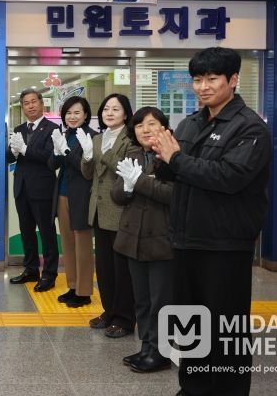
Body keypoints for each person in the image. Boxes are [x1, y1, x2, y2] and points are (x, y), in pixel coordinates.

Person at [151, 47, 272, 396]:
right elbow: (176, 171)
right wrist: (160, 157)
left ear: (233, 80)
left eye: (212, 79)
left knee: (226, 329)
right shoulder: (190, 123)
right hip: (186, 238)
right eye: (197, 79)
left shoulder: (250, 128)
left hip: (225, 244)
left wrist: (176, 159)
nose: (203, 87)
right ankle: (194, 387)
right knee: (190, 324)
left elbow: (229, 177)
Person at [111, 107, 174, 373]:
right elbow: (116, 195)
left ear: (164, 126)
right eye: (139, 126)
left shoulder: (173, 155)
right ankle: (147, 346)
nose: (145, 130)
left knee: (161, 300)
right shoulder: (133, 154)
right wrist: (126, 187)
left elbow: (173, 194)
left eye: (151, 124)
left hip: (161, 240)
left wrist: (139, 182)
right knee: (142, 299)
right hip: (133, 240)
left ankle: (161, 352)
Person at [79, 93, 138, 338]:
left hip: (120, 209)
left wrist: (100, 153)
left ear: (125, 113)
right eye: (106, 109)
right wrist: (87, 156)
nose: (109, 113)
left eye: (115, 109)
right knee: (104, 267)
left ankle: (124, 318)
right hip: (99, 210)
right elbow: (88, 173)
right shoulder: (97, 138)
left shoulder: (131, 139)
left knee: (121, 268)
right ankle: (109, 311)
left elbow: (123, 170)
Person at [7, 88, 58, 291]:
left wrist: (25, 149)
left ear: (41, 103)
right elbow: (9, 158)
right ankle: (31, 270)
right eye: (26, 103)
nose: (30, 106)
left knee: (46, 233)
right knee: (26, 232)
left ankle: (49, 274)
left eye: (33, 102)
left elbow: (49, 157)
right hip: (22, 188)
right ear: (22, 107)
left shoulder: (52, 129)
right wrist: (13, 151)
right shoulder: (19, 129)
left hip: (43, 189)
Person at [49, 96, 97, 307]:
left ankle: (84, 292)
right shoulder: (64, 135)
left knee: (83, 244)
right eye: (68, 113)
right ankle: (73, 285)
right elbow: (52, 165)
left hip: (82, 196)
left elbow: (88, 171)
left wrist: (67, 152)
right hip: (63, 194)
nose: (72, 117)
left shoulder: (92, 137)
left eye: (77, 112)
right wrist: (56, 151)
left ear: (86, 115)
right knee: (68, 243)